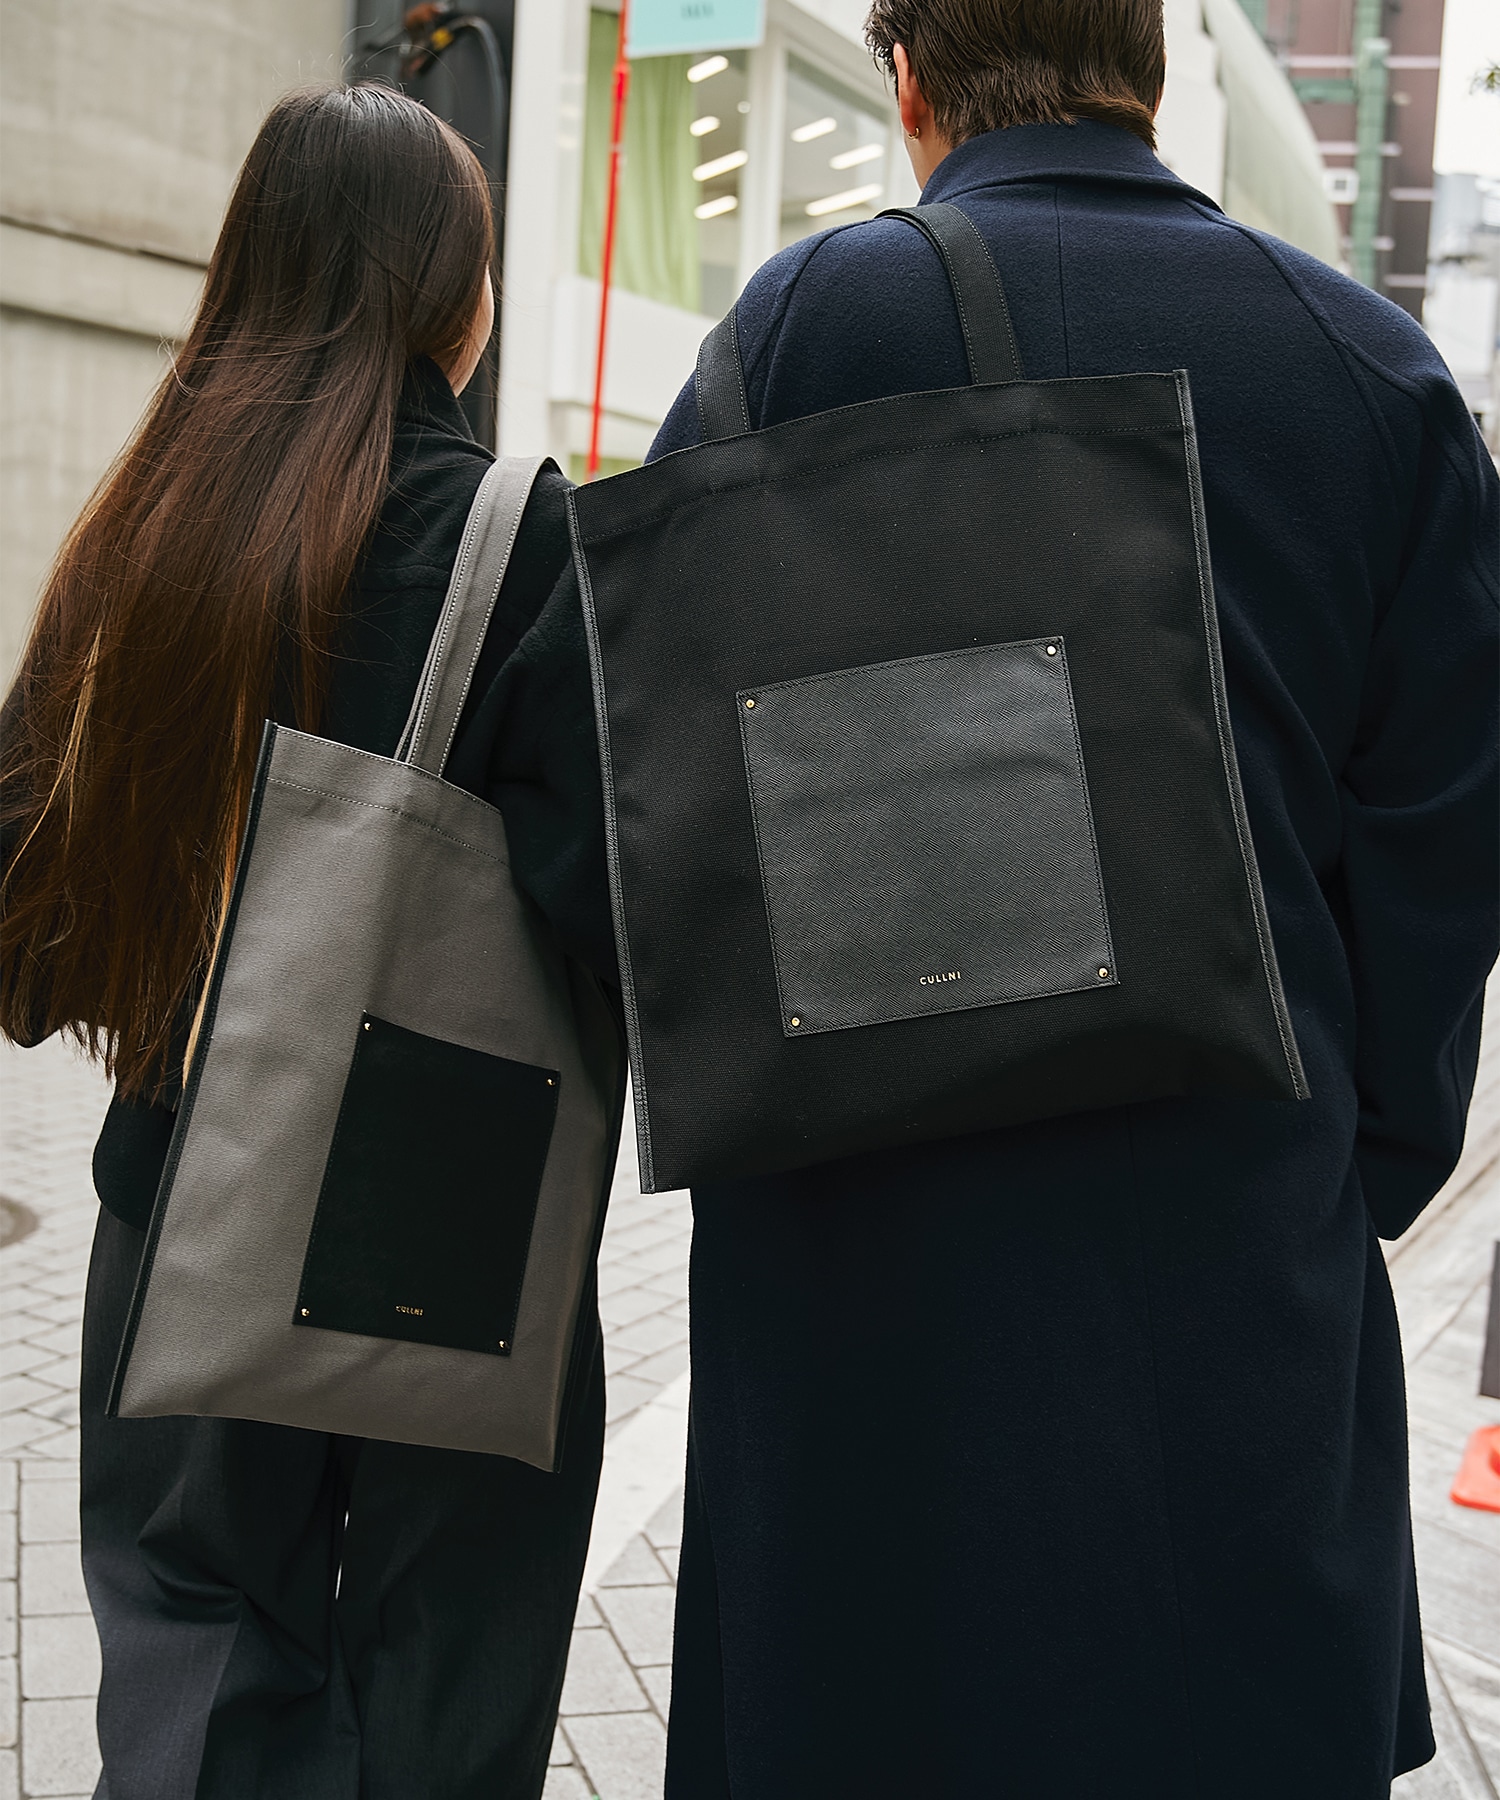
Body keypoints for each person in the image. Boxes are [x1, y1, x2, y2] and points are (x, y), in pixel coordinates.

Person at [499, 2, 1498, 1794]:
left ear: (907, 78)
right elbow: (1438, 876)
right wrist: (1335, 1179)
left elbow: (616, 787)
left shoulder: (795, 333)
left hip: (860, 1334)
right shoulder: (1367, 372)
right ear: (1154, 66)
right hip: (1235, 1319)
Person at [0, 85, 615, 1800]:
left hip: (182, 1198)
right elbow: (613, 921)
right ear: (451, 296)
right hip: (465, 1241)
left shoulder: (144, 536)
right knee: (444, 1701)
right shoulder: (519, 543)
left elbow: (21, 921)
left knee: (195, 1683)